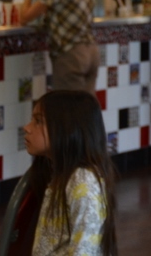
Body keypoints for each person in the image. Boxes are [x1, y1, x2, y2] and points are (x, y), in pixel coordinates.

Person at [23, 90, 117, 255]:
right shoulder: (58, 172)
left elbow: (85, 250)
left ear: (67, 129)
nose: (27, 128)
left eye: (38, 121)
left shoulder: (83, 180)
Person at [20, 0, 99, 93]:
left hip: (71, 56)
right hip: (92, 53)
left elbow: (24, 18)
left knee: (68, 111)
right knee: (87, 110)